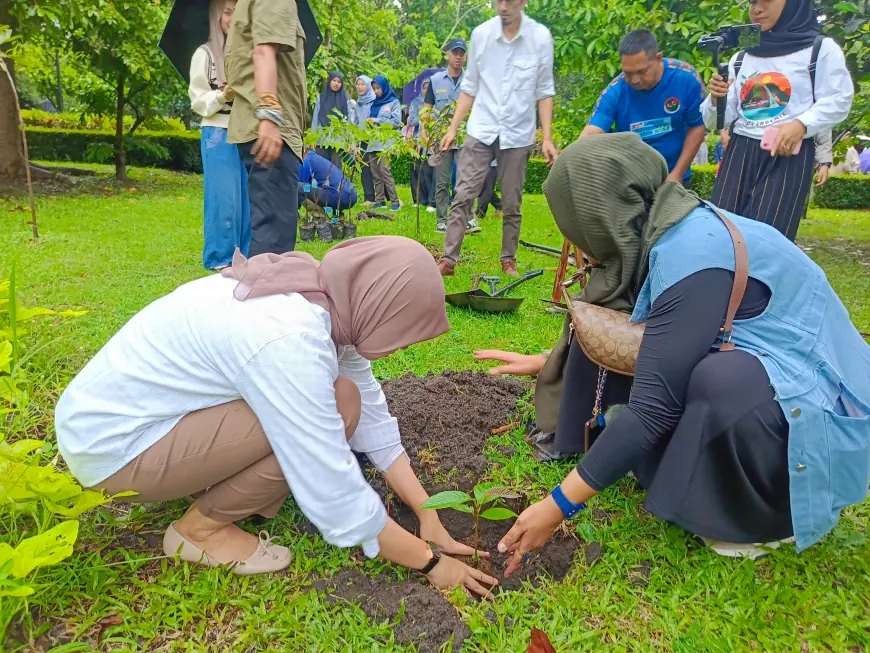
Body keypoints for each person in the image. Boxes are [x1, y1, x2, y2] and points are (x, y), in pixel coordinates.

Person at [477, 134, 870, 570]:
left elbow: (653, 410)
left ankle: (771, 517)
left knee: (719, 381)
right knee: (705, 373)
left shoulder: (693, 255)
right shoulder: (671, 224)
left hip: (816, 414)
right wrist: (546, 362)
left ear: (602, 215)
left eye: (578, 226)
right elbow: (656, 341)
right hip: (775, 373)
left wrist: (553, 508)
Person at [55, 237, 498, 595]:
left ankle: (211, 488)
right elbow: (332, 489)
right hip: (114, 448)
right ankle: (199, 531)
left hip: (139, 421)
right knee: (321, 418)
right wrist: (430, 562)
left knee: (343, 398)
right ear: (379, 304)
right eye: (403, 332)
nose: (401, 347)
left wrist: (427, 512)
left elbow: (372, 416)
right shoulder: (290, 340)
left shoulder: (322, 296)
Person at [704, 0, 854, 242]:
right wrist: (715, 97)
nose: (757, 9)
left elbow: (839, 99)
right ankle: (724, 281)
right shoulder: (742, 57)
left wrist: (802, 124)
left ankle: (762, 282)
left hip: (787, 154)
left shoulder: (820, 49)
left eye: (766, 1)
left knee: (768, 239)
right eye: (752, 2)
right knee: (722, 232)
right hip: (740, 152)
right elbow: (714, 120)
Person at [437, 0, 558, 278]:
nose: (503, 6)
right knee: (464, 195)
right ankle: (448, 261)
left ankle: (508, 260)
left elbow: (544, 91)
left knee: (512, 202)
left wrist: (547, 137)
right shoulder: (481, 34)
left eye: (510, 1)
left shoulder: (540, 38)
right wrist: (453, 128)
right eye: (498, 1)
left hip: (518, 134)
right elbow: (470, 87)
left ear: (524, 2)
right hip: (481, 128)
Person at [225, 0, 307, 256]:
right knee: (274, 245)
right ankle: (261, 294)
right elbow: (262, 52)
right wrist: (270, 117)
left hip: (257, 127)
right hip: (271, 131)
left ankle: (258, 289)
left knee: (268, 231)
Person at [581, 30, 707, 187]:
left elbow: (697, 127)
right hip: (632, 180)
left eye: (642, 72)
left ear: (658, 58)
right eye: (628, 73)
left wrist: (677, 174)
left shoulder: (686, 78)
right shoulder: (616, 90)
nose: (634, 80)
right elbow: (593, 130)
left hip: (675, 176)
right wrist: (572, 155)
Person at [188, 0, 251, 271]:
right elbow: (197, 99)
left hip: (246, 130)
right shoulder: (205, 54)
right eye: (227, 12)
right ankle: (221, 257)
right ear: (217, 16)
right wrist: (223, 95)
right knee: (223, 197)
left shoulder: (249, 52)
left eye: (238, 12)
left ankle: (246, 256)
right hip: (217, 131)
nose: (232, 17)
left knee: (247, 198)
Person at [422, 38, 479, 235]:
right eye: (454, 52)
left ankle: (469, 218)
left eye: (461, 53)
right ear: (447, 54)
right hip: (441, 138)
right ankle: (442, 220)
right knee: (442, 180)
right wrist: (424, 131)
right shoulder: (435, 80)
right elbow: (427, 109)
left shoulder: (471, 81)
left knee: (466, 179)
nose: (458, 56)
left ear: (465, 56)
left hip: (465, 137)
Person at [366, 75, 403, 212]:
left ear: (384, 87)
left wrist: (377, 121)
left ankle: (395, 201)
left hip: (385, 144)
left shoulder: (394, 102)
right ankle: (380, 200)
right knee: (375, 174)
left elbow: (396, 122)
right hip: (373, 143)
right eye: (374, 89)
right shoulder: (374, 103)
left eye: (378, 88)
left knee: (385, 171)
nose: (376, 91)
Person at [311, 72, 353, 166]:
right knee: (321, 168)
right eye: (334, 80)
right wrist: (313, 138)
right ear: (329, 81)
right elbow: (315, 119)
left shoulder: (345, 100)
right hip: (322, 139)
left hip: (338, 141)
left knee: (335, 170)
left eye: (339, 82)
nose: (336, 84)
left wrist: (349, 141)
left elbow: (349, 121)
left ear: (341, 84)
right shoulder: (321, 98)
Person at [297, 149, 358, 213]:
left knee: (297, 186)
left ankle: (320, 218)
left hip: (336, 196)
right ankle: (339, 217)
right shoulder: (320, 159)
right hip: (352, 197)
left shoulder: (307, 160)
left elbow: (298, 189)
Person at [407, 80, 436, 209]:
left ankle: (431, 200)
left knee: (428, 171)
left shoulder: (436, 103)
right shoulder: (415, 102)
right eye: (424, 88)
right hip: (416, 140)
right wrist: (424, 118)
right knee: (415, 171)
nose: (426, 90)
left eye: (428, 88)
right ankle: (418, 200)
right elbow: (412, 120)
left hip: (430, 140)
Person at [353, 76, 378, 205]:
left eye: (363, 84)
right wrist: (354, 143)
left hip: (374, 139)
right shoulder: (358, 103)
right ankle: (369, 198)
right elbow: (356, 123)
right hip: (363, 140)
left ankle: (388, 197)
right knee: (364, 169)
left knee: (379, 169)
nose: (360, 87)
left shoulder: (375, 100)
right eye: (358, 84)